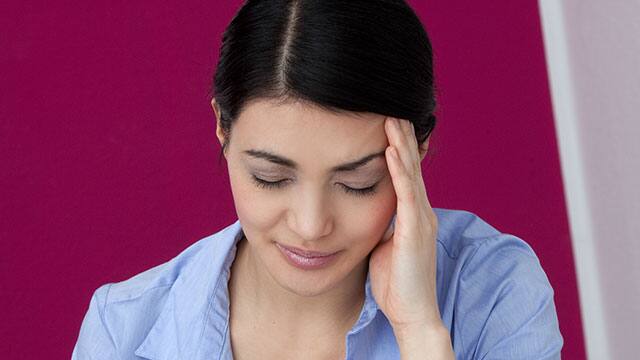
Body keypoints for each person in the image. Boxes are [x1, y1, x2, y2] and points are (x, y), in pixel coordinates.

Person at [72, 0, 564, 359]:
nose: (310, 226)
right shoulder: (126, 331)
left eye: (358, 183)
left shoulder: (493, 291)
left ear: (418, 151)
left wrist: (419, 331)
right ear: (222, 127)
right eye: (269, 177)